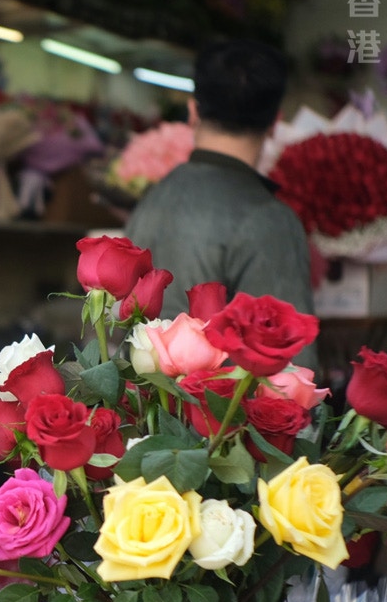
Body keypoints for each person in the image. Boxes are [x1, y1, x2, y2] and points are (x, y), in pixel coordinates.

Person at [125, 39, 318, 372]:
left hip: (138, 411)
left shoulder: (155, 196)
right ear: (275, 121)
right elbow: (292, 371)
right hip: (214, 420)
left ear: (193, 111)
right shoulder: (269, 219)